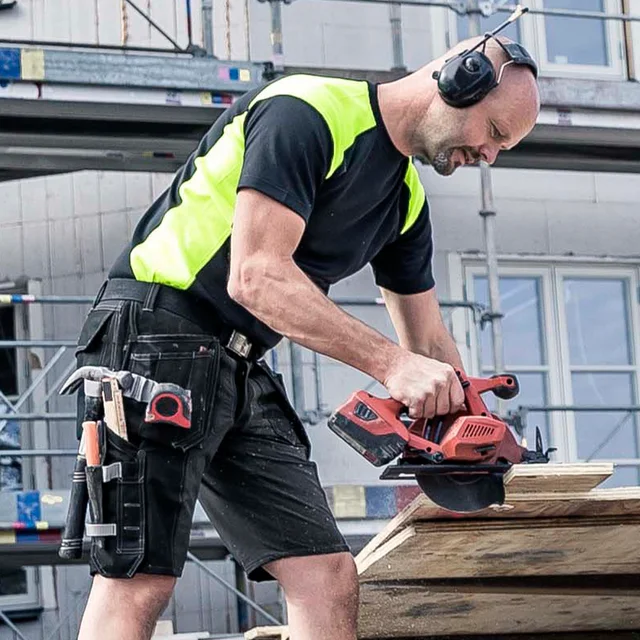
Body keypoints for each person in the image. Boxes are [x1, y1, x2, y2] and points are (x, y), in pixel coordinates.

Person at [70, 32, 539, 640]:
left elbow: (425, 343)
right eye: (495, 134)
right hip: (154, 338)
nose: (490, 156)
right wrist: (391, 366)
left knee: (326, 574)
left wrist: (474, 428)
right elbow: (257, 275)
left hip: (240, 363)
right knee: (139, 577)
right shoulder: (306, 111)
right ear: (459, 80)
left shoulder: (404, 199)